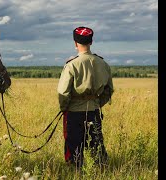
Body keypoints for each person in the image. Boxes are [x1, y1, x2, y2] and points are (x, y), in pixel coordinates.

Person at [57, 26, 114, 168]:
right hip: (94, 111)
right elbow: (109, 90)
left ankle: (76, 173)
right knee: (96, 146)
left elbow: (63, 93)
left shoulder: (71, 65)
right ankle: (100, 172)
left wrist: (65, 108)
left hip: (74, 113)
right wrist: (96, 103)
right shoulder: (103, 63)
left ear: (75, 43)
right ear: (91, 42)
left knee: (75, 148)